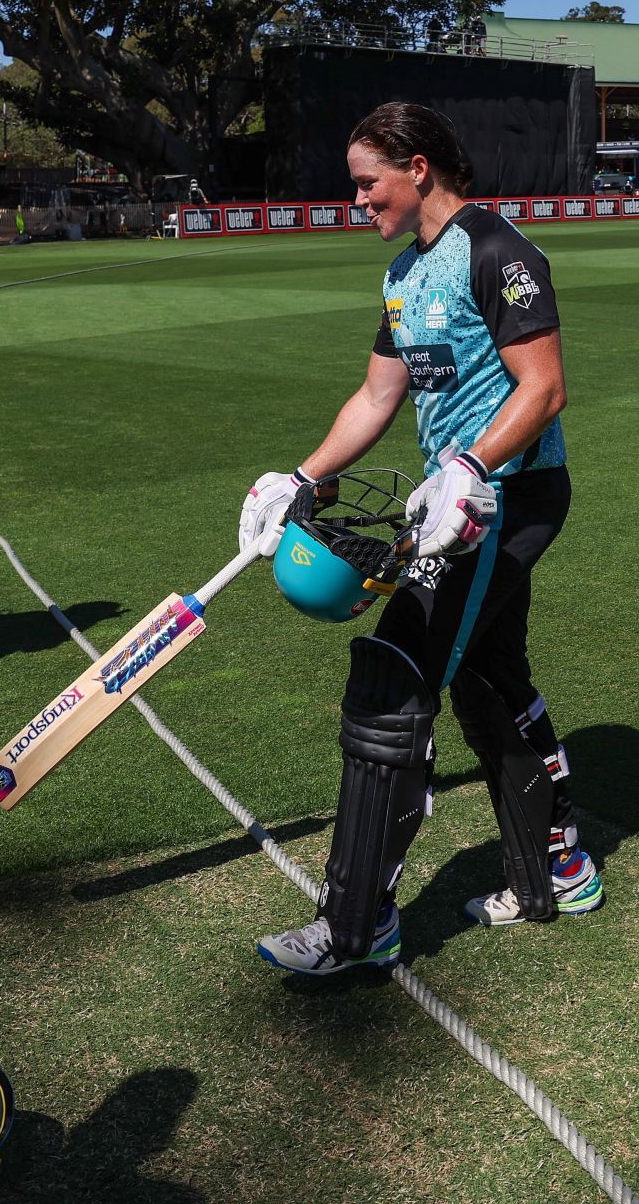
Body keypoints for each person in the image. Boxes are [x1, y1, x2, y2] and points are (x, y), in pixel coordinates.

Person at [241, 102, 602, 977]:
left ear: (419, 168)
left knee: (391, 682)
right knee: (486, 675)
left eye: (368, 182)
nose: (357, 200)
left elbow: (544, 388)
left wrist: (471, 467)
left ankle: (356, 927)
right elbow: (375, 399)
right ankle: (558, 866)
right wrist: (299, 478)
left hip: (506, 498)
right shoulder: (405, 275)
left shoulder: (498, 251)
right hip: (454, 499)